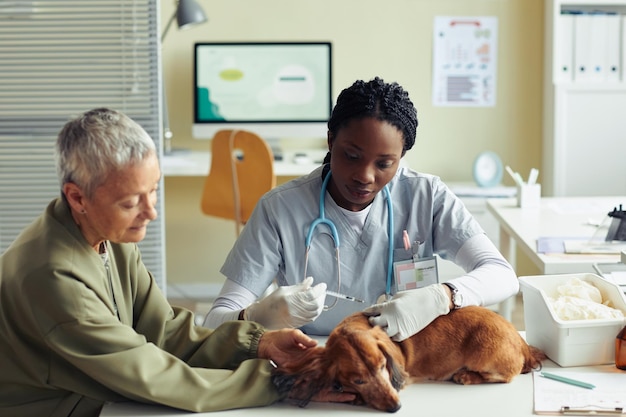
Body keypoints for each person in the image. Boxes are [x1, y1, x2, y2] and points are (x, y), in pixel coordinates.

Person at [0, 108, 353, 416]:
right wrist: (284, 383)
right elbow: (153, 376)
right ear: (77, 197)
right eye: (130, 202)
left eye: (153, 190)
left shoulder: (108, 234)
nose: (150, 212)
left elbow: (163, 330)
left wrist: (257, 343)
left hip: (99, 394)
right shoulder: (53, 278)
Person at [204, 77, 519, 340]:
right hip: (316, 358)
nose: (365, 176)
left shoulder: (426, 196)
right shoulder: (280, 209)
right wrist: (257, 315)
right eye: (352, 155)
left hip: (405, 356)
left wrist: (442, 296)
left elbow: (502, 275)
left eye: (384, 164)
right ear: (330, 141)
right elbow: (212, 322)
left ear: (401, 157)